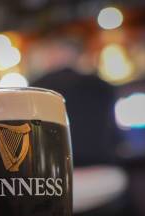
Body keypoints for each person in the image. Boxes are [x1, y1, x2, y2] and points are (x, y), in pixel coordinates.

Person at [30, 37, 121, 166]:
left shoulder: (36, 88)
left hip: (56, 172)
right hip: (103, 166)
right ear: (77, 56)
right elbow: (115, 135)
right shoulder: (102, 85)